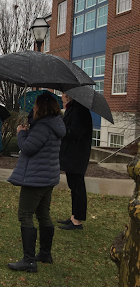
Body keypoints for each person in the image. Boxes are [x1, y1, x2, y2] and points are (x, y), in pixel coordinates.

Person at [7, 92, 66, 273]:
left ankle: (29, 260)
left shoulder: (42, 127)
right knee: (43, 214)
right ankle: (45, 254)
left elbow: (27, 148)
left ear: (42, 107)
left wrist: (22, 134)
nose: (33, 107)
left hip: (35, 177)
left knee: (25, 215)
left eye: (36, 105)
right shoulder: (54, 124)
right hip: (47, 177)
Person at [57, 93, 93, 231]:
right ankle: (74, 216)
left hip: (77, 156)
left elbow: (76, 132)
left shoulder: (80, 110)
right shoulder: (74, 108)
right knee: (74, 186)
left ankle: (77, 221)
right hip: (72, 155)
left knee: (78, 187)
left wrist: (62, 129)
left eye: (63, 94)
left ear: (69, 96)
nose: (61, 96)